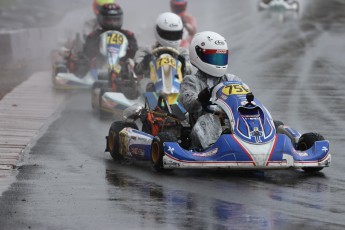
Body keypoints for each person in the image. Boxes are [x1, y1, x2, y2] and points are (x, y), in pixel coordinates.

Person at [179, 31, 242, 149]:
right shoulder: (191, 80)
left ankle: (259, 142)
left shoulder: (232, 79)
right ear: (198, 55)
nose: (217, 62)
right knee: (208, 119)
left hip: (232, 122)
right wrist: (200, 98)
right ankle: (215, 148)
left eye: (220, 57)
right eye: (213, 57)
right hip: (202, 126)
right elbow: (189, 105)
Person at [134, 12, 191, 78]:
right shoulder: (146, 51)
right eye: (168, 34)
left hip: (178, 85)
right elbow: (137, 70)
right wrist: (146, 62)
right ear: (158, 31)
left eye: (175, 34)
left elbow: (189, 71)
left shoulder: (182, 53)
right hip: (150, 85)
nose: (172, 38)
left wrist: (182, 63)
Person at [83, 3, 138, 69]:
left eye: (115, 20)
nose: (112, 23)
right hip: (98, 67)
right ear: (101, 19)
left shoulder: (128, 35)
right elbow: (87, 53)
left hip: (123, 69)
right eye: (109, 20)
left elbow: (135, 53)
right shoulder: (94, 35)